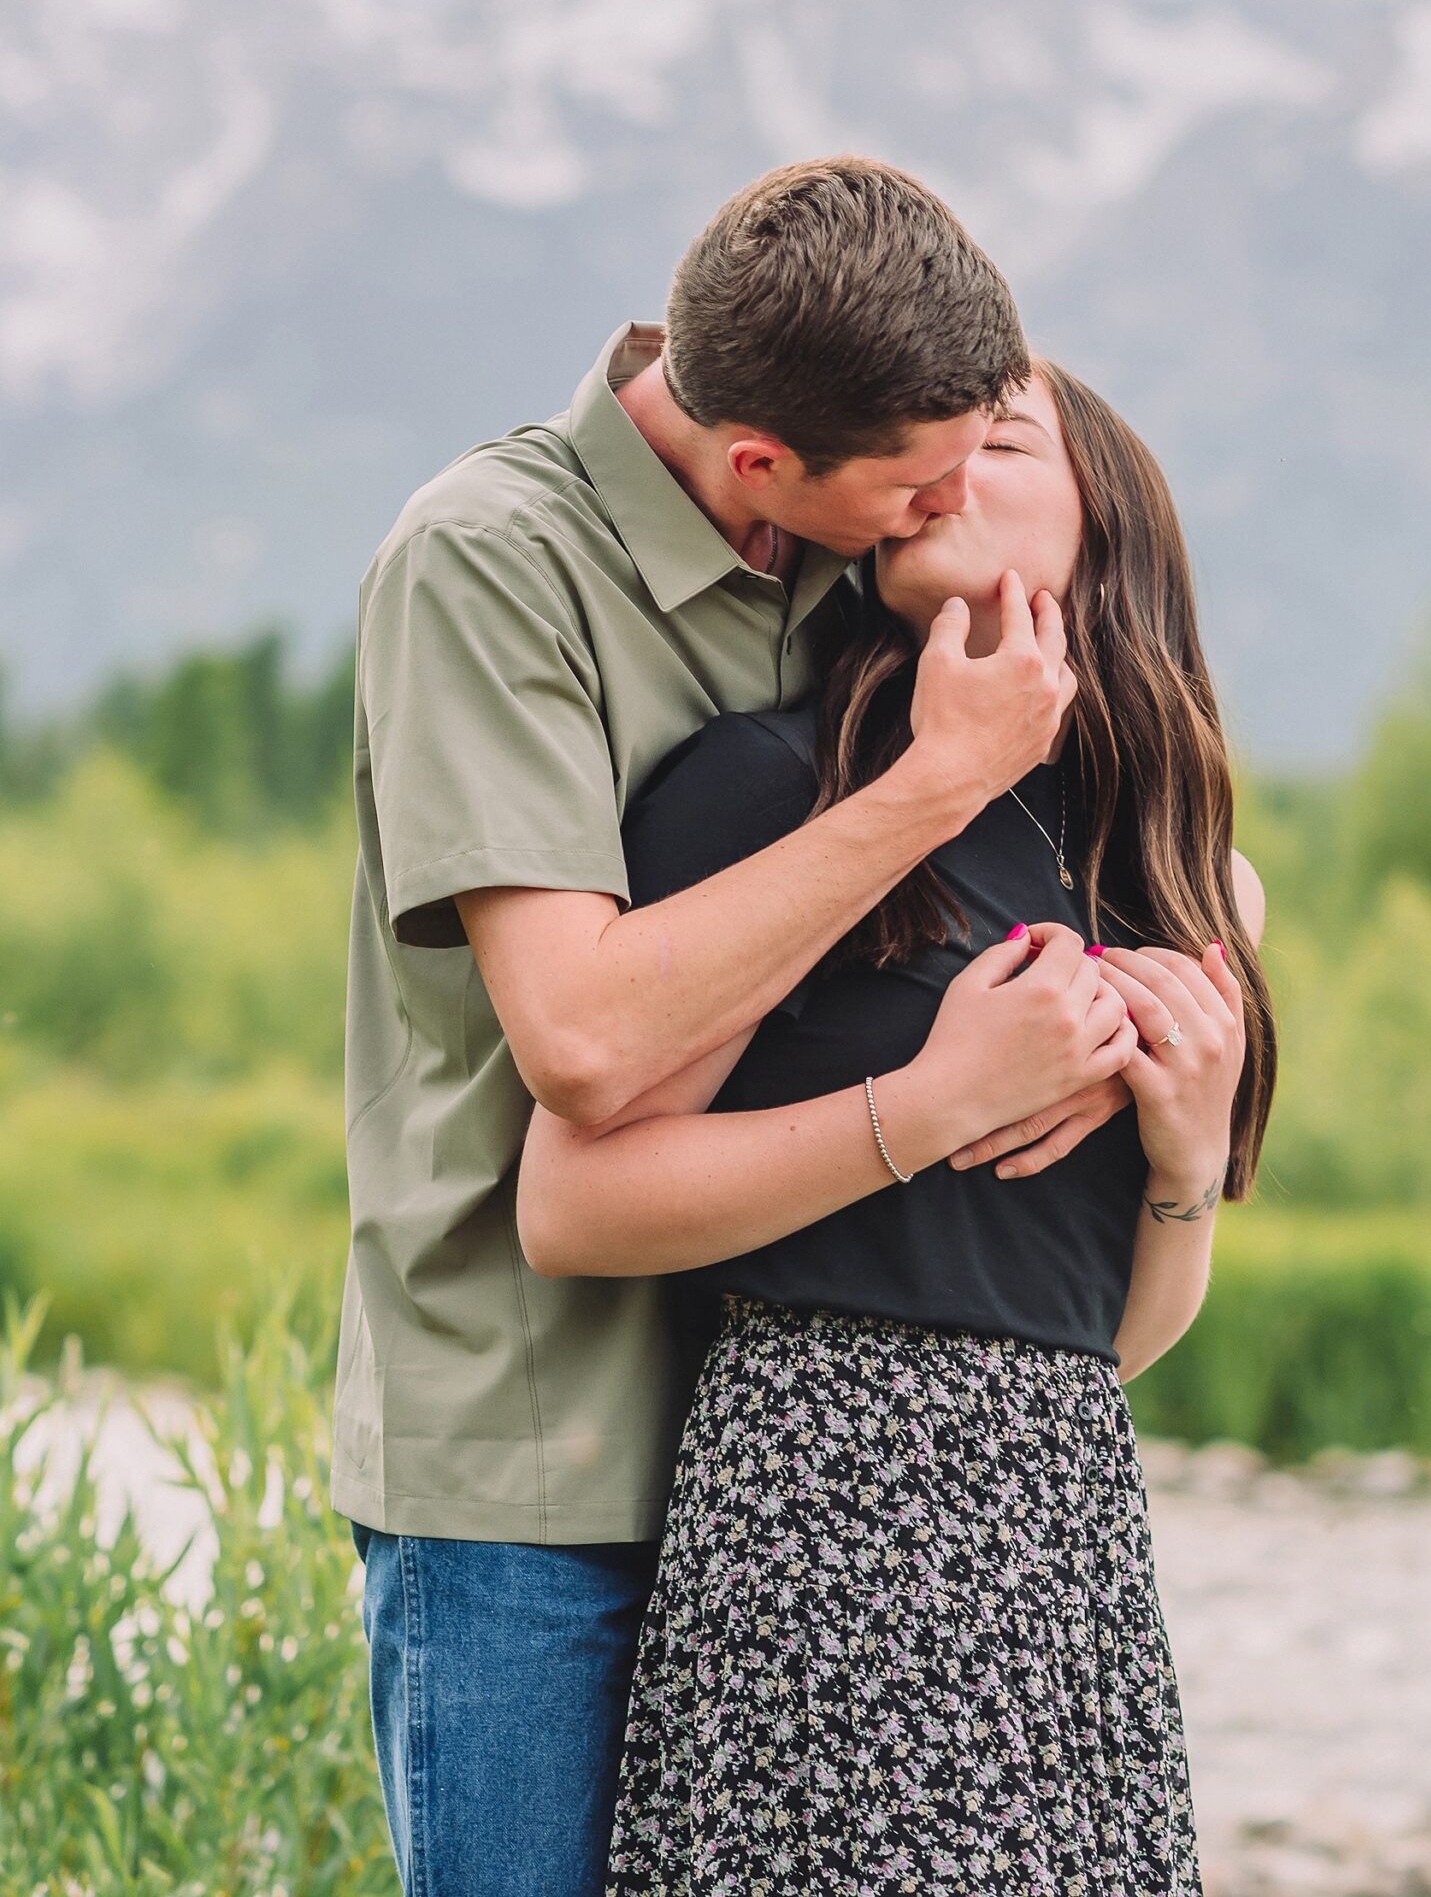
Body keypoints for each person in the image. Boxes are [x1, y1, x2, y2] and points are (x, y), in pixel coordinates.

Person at [335, 158, 1149, 1897]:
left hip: (765, 1470)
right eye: (919, 479)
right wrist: (931, 787)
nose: (938, 505)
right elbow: (581, 1045)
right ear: (764, 459)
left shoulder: (822, 549)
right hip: (526, 1465)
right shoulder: (491, 564)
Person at [517, 356, 1277, 1895]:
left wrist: (1189, 1159)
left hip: (1062, 1536)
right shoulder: (771, 790)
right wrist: (930, 1105)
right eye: (915, 444)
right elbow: (572, 1207)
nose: (938, 469)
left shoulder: (1194, 885)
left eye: (995, 439)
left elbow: (1104, 1337)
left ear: (1107, 523)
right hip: (822, 1518)